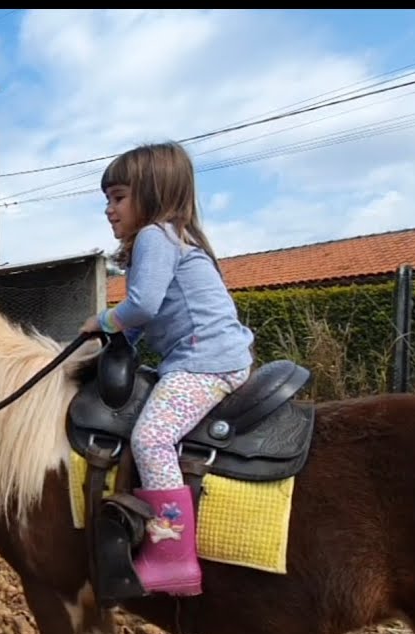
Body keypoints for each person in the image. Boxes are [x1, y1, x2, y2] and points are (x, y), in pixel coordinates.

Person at [80, 141, 255, 598]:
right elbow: (142, 324)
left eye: (118, 198)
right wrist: (109, 346)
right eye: (107, 200)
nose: (109, 210)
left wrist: (99, 321)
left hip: (205, 363)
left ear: (153, 193)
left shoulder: (158, 235)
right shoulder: (167, 240)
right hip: (202, 358)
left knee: (152, 437)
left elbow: (142, 306)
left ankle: (173, 554)